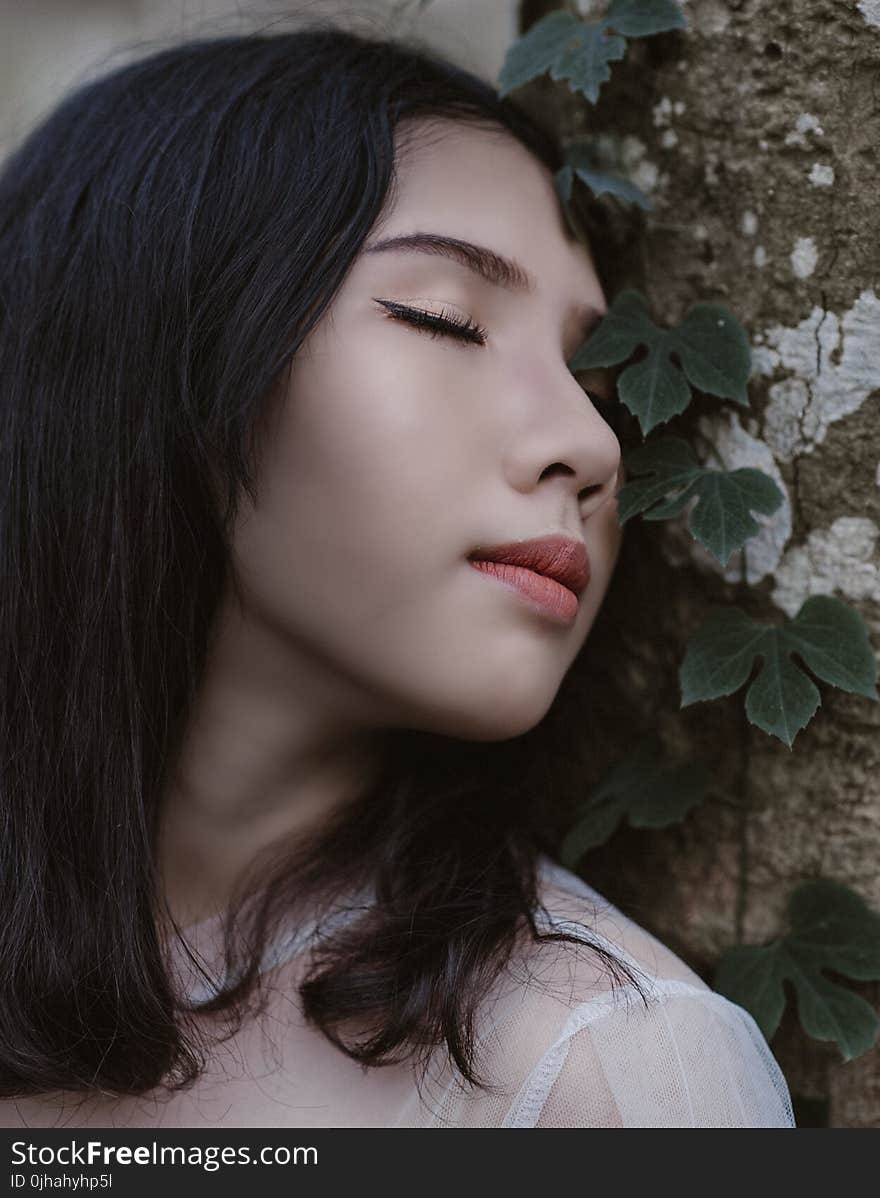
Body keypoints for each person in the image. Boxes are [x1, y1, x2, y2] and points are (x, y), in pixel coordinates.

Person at [0, 19, 795, 1128]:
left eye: (597, 384)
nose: (595, 444)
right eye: (447, 318)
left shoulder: (600, 1070)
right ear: (147, 353)